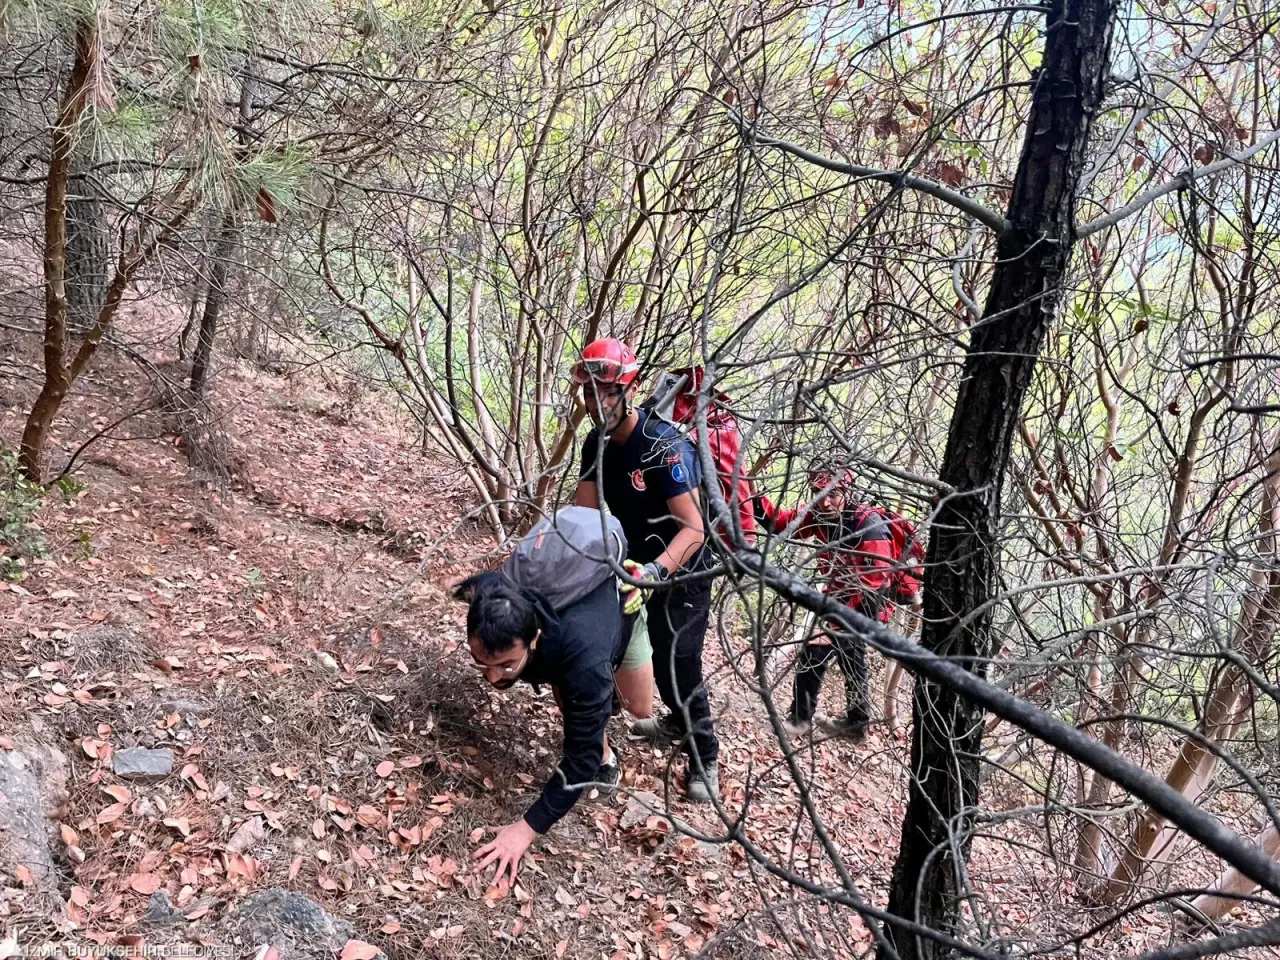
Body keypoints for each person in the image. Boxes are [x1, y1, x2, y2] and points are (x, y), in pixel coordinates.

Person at [457, 507, 654, 886]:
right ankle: (603, 744)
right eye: (483, 664)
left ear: (533, 639)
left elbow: (578, 762)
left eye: (504, 665)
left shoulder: (584, 660)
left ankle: (602, 717)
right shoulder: (495, 601)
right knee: (573, 693)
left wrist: (525, 830)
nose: (492, 678)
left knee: (637, 707)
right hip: (569, 640)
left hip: (619, 607)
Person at [571, 337, 720, 803]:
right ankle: (632, 722)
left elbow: (694, 528)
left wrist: (656, 572)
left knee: (680, 662)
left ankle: (704, 753)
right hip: (631, 566)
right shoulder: (595, 443)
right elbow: (584, 515)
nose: (599, 402)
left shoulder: (664, 446)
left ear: (627, 390)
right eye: (591, 393)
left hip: (681, 571)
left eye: (607, 392)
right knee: (613, 644)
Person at [754, 461, 901, 742]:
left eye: (833, 494)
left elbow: (873, 584)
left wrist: (834, 622)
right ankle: (854, 724)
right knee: (847, 654)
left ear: (847, 491)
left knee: (824, 648)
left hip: (871, 600)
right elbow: (783, 525)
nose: (826, 502)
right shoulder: (820, 514)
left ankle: (803, 720)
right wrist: (750, 495)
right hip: (840, 595)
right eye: (819, 493)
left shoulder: (869, 525)